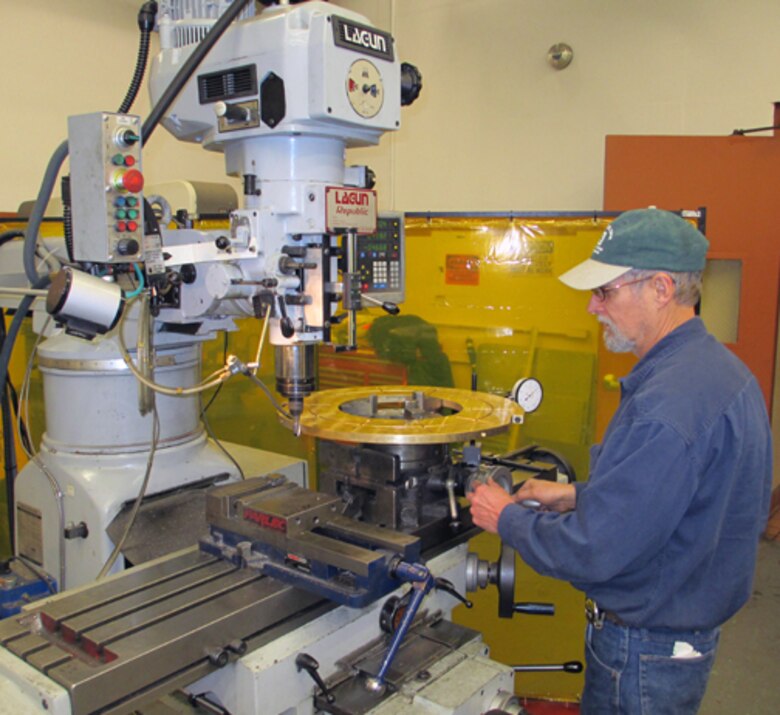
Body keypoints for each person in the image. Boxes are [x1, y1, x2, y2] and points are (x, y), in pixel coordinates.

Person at [468, 207, 772, 715]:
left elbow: (596, 550)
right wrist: (577, 495)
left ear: (659, 288)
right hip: (681, 633)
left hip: (644, 652)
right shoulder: (720, 372)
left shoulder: (667, 406)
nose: (592, 307)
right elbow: (686, 504)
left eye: (605, 291)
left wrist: (508, 518)